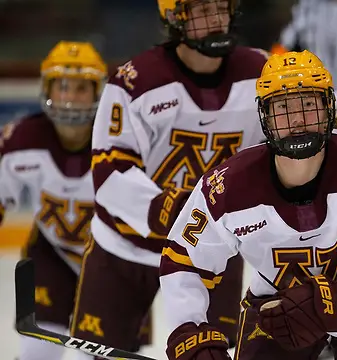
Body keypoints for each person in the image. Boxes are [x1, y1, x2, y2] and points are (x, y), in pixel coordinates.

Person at [159, 49, 337, 360]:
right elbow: (184, 262)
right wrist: (190, 333)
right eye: (283, 107)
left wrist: (335, 304)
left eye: (308, 104)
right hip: (277, 313)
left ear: (328, 107)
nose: (297, 119)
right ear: (265, 116)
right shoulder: (228, 186)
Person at [69, 0, 268, 356]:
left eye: (221, 9)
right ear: (175, 18)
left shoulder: (261, 72)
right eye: (202, 11)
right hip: (126, 246)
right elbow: (110, 173)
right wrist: (170, 209)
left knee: (213, 352)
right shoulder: (135, 82)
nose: (216, 20)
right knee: (99, 353)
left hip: (212, 251)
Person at [0, 41, 139, 360]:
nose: (70, 98)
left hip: (113, 264)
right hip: (52, 256)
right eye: (62, 87)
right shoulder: (20, 140)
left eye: (80, 88)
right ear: (47, 88)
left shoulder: (126, 142)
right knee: (37, 352)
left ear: (98, 92)